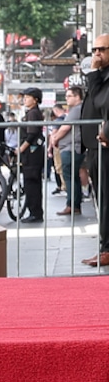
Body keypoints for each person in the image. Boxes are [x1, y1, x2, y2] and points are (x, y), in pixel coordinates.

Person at [81, 34, 109, 267]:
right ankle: (104, 247)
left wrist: (93, 74)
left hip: (105, 145)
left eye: (102, 49)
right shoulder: (100, 76)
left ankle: (106, 248)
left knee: (106, 199)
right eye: (94, 49)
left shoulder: (100, 78)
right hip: (96, 146)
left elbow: (102, 102)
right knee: (101, 198)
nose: (96, 54)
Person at [49, 85, 83, 217]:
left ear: (77, 96)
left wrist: (55, 139)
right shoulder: (78, 109)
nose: (66, 99)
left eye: (69, 96)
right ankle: (75, 205)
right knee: (73, 177)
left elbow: (65, 128)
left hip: (71, 147)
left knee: (69, 177)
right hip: (72, 147)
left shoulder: (76, 110)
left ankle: (71, 205)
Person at [17, 86, 45, 223]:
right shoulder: (31, 112)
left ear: (35, 100)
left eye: (27, 97)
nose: (25, 99)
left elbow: (32, 133)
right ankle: (35, 211)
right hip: (33, 153)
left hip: (32, 153)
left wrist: (21, 149)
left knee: (31, 183)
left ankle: (35, 212)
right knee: (31, 182)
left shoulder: (33, 113)